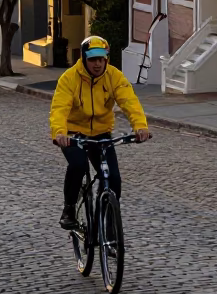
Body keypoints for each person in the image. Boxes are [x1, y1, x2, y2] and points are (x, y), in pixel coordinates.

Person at [50, 35, 151, 229]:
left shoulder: (114, 77)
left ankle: (110, 228)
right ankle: (69, 208)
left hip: (101, 134)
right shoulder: (69, 78)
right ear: (83, 59)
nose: (97, 64)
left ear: (107, 59)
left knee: (113, 179)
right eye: (92, 59)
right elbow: (59, 108)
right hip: (73, 133)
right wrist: (59, 133)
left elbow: (129, 101)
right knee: (78, 166)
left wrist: (140, 126)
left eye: (101, 59)